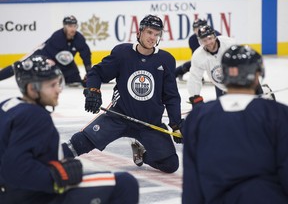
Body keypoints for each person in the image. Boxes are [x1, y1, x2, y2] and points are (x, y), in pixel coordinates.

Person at [0, 55, 139, 204]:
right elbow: (14, 169)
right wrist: (57, 175)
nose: (58, 90)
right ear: (32, 89)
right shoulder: (34, 115)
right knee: (125, 183)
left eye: (58, 83)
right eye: (52, 85)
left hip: (10, 192)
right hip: (32, 195)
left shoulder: (8, 105)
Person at [61, 14, 183, 174]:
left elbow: (171, 96)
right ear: (139, 32)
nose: (152, 37)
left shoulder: (166, 60)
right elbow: (96, 72)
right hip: (118, 117)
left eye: (156, 34)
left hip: (149, 123)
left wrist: (175, 124)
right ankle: (51, 157)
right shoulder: (123, 53)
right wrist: (93, 90)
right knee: (81, 142)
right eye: (149, 32)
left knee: (171, 164)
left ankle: (141, 155)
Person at [182, 45, 288, 204]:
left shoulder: (198, 117)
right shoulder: (277, 113)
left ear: (223, 75)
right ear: (257, 74)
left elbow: (192, 186)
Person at [186, 25, 269, 106]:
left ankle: (264, 94)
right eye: (204, 40)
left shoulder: (229, 43)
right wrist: (195, 96)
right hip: (221, 86)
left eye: (210, 38)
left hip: (241, 82)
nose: (208, 43)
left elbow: (244, 64)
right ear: (200, 42)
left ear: (215, 37)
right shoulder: (198, 56)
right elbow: (194, 77)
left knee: (256, 105)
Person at [0, 15, 92, 87]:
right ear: (64, 26)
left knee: (75, 80)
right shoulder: (57, 37)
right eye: (70, 26)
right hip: (43, 55)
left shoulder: (79, 38)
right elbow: (51, 59)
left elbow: (86, 56)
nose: (73, 28)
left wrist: (89, 74)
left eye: (75, 26)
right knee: (20, 65)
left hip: (62, 60)